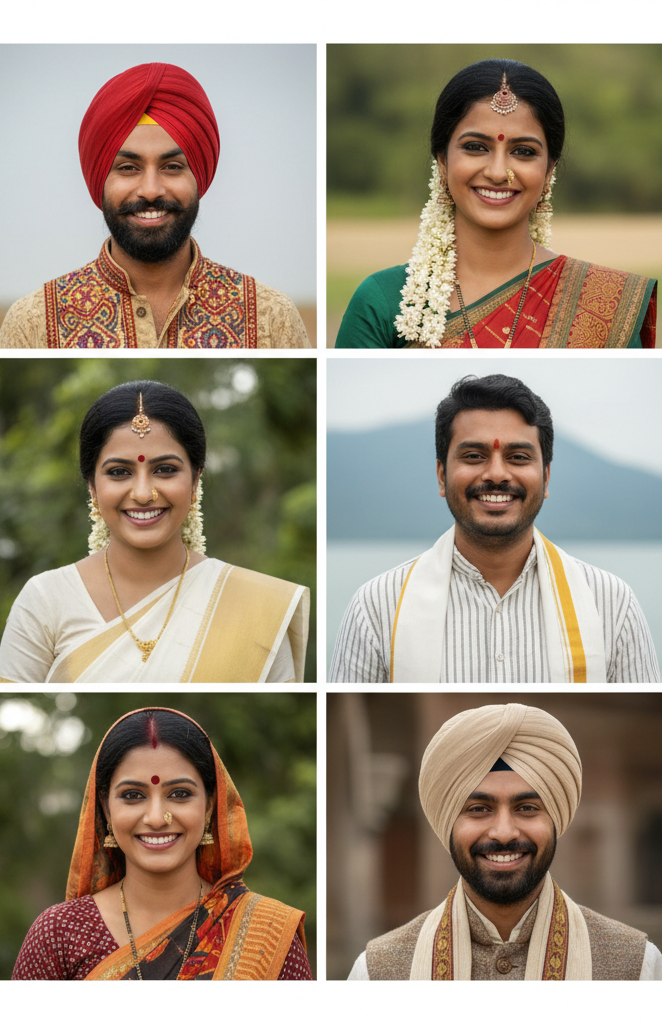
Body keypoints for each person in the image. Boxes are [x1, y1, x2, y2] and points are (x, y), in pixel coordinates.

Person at [329, 374, 659, 682]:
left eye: (517, 457)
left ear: (545, 477)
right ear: (442, 476)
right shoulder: (376, 605)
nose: (497, 474)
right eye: (474, 456)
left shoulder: (612, 604)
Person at [0, 380, 309, 682]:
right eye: (119, 472)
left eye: (165, 470)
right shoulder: (45, 600)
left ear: (196, 479)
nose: (143, 493)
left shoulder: (255, 606)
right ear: (92, 485)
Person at [335, 58, 656, 348]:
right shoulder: (383, 300)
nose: (499, 172)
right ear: (443, 161)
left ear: (549, 170)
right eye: (475, 147)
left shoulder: (604, 303)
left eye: (524, 151)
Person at [0, 63, 309, 349]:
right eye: (128, 168)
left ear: (198, 176)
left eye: (172, 167)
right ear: (100, 179)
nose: (150, 190)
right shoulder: (34, 323)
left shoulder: (271, 318)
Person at [349, 703, 662, 980]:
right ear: (448, 821)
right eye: (479, 809)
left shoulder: (636, 965)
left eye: (526, 808)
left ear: (556, 819)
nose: (503, 832)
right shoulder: (378, 971)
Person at [12, 707, 311, 979]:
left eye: (179, 794)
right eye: (132, 795)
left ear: (209, 805)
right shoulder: (60, 934)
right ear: (105, 808)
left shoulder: (266, 935)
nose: (157, 818)